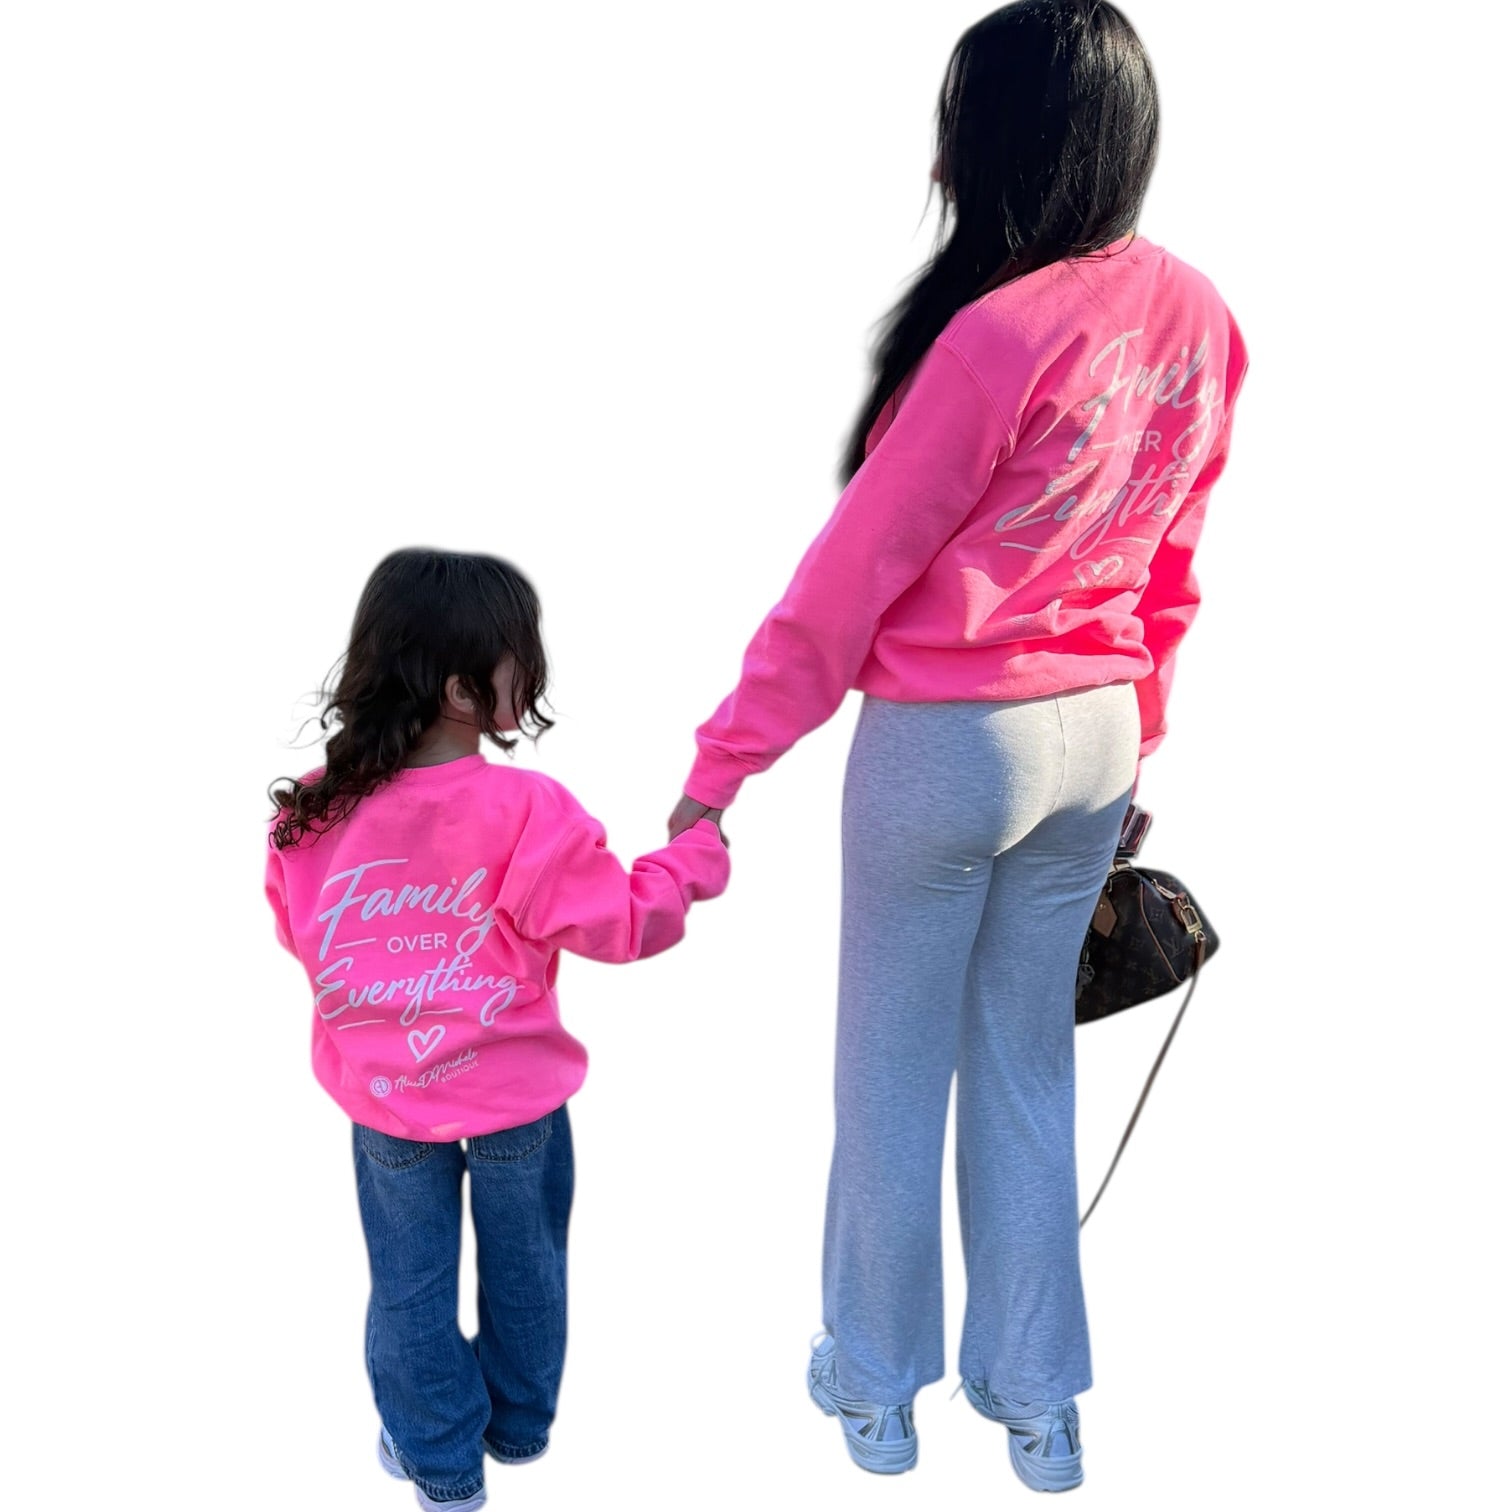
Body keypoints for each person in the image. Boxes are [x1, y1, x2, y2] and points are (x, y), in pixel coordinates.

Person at [667, 0, 1246, 1492]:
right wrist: (1142, 748)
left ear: (997, 139)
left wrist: (720, 770)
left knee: (891, 1078)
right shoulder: (1202, 317)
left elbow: (843, 586)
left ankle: (872, 1386)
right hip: (1094, 738)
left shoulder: (993, 338)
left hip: (951, 745)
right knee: (1025, 1075)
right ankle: (1038, 1405)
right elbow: (1172, 565)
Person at [266, 548, 729, 1512]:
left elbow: (301, 933)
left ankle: (441, 1464)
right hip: (516, 1102)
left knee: (410, 1288)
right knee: (527, 1268)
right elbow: (623, 923)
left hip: (388, 1103)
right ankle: (515, 1425)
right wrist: (692, 860)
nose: (535, 669)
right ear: (462, 688)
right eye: (520, 655)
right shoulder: (525, 811)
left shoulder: (312, 811)